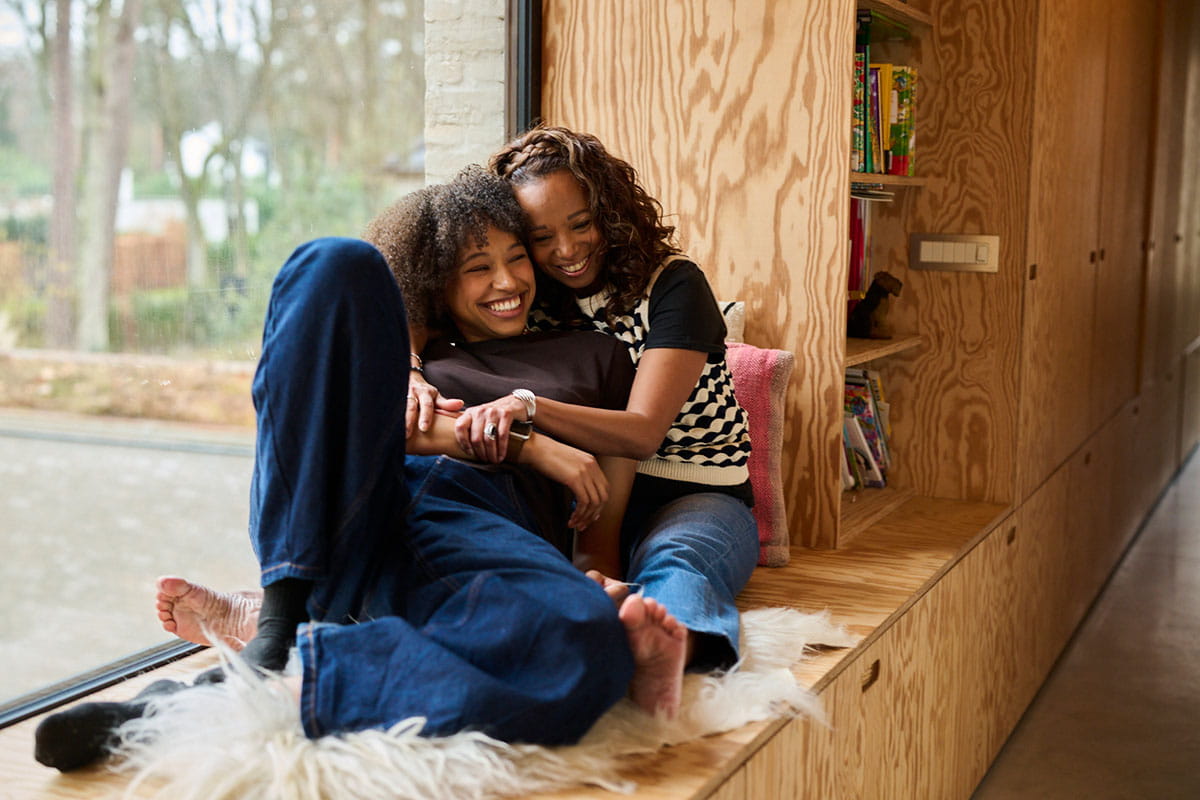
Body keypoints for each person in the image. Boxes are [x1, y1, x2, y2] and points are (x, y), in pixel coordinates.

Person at [34, 169, 685, 773]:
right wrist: (511, 438)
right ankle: (282, 621)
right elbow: (354, 404)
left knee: (587, 646)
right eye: (476, 268)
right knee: (334, 263)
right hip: (365, 496)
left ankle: (228, 690)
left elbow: (607, 487)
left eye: (517, 258)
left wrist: (587, 571)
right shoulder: (416, 349)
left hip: (481, 534)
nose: (507, 282)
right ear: (437, 281)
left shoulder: (595, 355)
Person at [408, 126, 759, 673]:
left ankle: (674, 648)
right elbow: (415, 304)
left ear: (609, 212)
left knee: (677, 560)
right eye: (541, 237)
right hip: (588, 496)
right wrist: (407, 370)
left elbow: (642, 430)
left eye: (580, 225)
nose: (566, 251)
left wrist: (527, 407)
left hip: (694, 491)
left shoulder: (673, 286)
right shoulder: (531, 286)